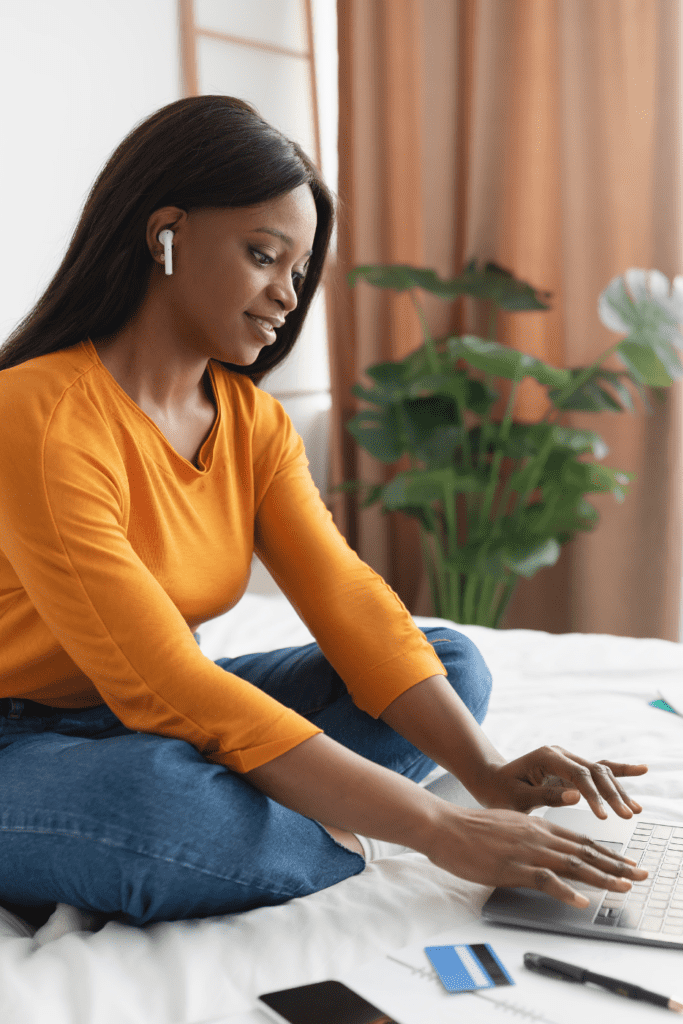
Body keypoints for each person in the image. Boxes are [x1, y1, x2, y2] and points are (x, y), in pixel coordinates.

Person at [0, 95, 648, 928]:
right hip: (28, 737)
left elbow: (346, 600)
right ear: (166, 232)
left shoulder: (251, 421)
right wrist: (438, 829)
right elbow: (163, 682)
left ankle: (268, 821)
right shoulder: (37, 415)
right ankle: (264, 825)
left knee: (449, 665)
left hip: (154, 722)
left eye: (299, 272)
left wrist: (486, 774)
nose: (285, 295)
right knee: (165, 810)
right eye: (264, 255)